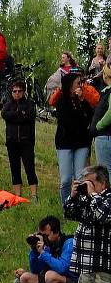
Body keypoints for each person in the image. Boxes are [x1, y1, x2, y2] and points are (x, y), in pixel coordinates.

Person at [49, 71, 99, 203]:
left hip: (81, 142)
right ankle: (67, 205)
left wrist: (82, 101)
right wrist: (80, 117)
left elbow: (88, 117)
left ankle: (80, 205)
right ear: (70, 85)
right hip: (65, 142)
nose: (80, 86)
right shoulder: (61, 102)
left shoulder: (82, 100)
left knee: (80, 177)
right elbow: (67, 121)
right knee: (66, 179)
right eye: (78, 83)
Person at [14, 216, 77, 283]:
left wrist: (43, 253)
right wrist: (34, 251)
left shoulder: (69, 242)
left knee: (50, 276)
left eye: (46, 235)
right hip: (52, 282)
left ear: (56, 233)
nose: (44, 238)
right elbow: (35, 271)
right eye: (42, 235)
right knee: (24, 278)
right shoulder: (47, 246)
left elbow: (62, 268)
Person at [63, 165, 111, 277]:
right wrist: (73, 196)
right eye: (85, 183)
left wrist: (92, 194)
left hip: (99, 267)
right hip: (85, 265)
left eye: (90, 183)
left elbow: (103, 216)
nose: (87, 186)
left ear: (103, 184)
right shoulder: (88, 199)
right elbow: (69, 214)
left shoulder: (108, 199)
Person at [0, 80, 39, 200]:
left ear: (24, 91)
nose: (17, 93)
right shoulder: (8, 104)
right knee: (14, 168)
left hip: (26, 141)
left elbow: (28, 116)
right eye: (14, 91)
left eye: (19, 91)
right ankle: (17, 195)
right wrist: (18, 114)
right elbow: (4, 114)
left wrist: (15, 115)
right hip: (12, 141)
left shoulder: (30, 103)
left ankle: (34, 195)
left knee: (29, 167)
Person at [90, 65, 111, 171]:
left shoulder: (110, 92)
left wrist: (98, 125)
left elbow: (110, 113)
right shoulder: (106, 91)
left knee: (105, 171)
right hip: (105, 136)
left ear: (106, 75)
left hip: (105, 137)